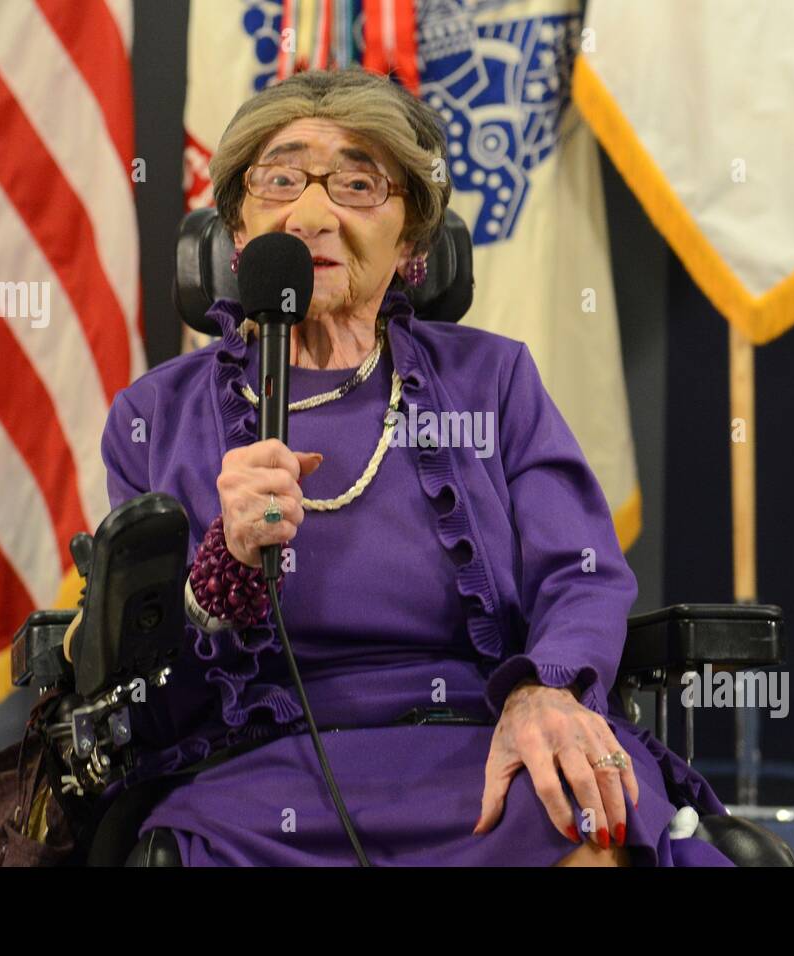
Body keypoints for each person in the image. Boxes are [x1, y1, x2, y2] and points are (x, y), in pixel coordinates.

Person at [99, 67, 731, 866]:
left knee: (584, 820)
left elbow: (581, 575)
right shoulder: (155, 417)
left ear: (412, 243)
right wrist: (219, 572)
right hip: (255, 767)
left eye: (358, 184)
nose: (313, 213)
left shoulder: (493, 383)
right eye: (281, 180)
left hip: (481, 738)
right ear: (236, 223)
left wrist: (546, 692)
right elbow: (138, 678)